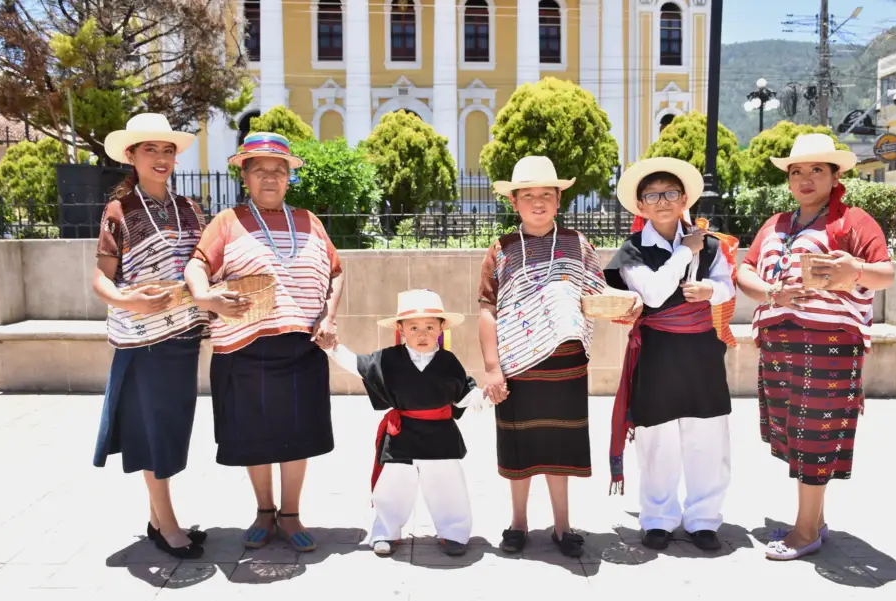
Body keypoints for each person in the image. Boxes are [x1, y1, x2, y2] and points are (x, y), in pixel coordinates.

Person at [735, 134, 895, 561]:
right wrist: (773, 294)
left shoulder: (854, 221)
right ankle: (815, 520)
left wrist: (854, 267)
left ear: (834, 175)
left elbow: (885, 274)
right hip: (781, 347)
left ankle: (805, 531)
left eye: (816, 170)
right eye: (796, 172)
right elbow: (745, 271)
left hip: (828, 348)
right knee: (797, 434)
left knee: (814, 437)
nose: (805, 179)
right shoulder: (775, 224)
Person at [184, 132, 344, 553]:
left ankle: (290, 515)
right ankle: (264, 511)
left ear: (289, 177)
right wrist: (204, 296)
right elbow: (198, 265)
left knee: (298, 432)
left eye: (279, 170)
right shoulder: (227, 221)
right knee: (254, 432)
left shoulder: (310, 221)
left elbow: (337, 271)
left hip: (302, 346)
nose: (270, 177)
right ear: (245, 176)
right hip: (244, 346)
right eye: (260, 170)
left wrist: (328, 315)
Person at [91, 113, 211, 559]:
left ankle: (157, 519)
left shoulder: (190, 209)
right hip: (143, 340)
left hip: (183, 336)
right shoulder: (118, 211)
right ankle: (168, 526)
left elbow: (202, 265)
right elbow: (101, 280)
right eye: (150, 150)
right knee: (153, 430)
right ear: (131, 156)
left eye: (167, 150)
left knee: (170, 427)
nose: (161, 158)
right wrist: (130, 302)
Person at [477, 156, 608, 558]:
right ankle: (518, 523)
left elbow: (597, 296)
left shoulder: (578, 244)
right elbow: (487, 308)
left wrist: (627, 306)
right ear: (513, 201)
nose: (538, 202)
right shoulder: (500, 249)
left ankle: (562, 525)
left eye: (546, 195)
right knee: (520, 444)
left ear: (559, 199)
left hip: (566, 363)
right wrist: (492, 368)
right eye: (528, 195)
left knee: (559, 445)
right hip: (516, 367)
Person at [602, 157, 734, 552]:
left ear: (684, 199)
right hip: (657, 352)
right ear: (640, 206)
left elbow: (728, 285)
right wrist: (683, 253)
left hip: (701, 352)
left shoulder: (711, 246)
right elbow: (654, 294)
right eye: (652, 195)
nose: (662, 201)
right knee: (656, 438)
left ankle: (703, 519)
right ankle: (658, 518)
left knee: (707, 436)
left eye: (670, 193)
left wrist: (712, 291)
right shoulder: (632, 251)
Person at [325, 289, 485, 557]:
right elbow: (358, 365)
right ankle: (386, 531)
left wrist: (484, 397)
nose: (422, 334)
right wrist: (331, 348)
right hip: (402, 434)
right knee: (393, 485)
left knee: (448, 484)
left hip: (440, 435)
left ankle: (453, 531)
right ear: (400, 329)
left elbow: (463, 395)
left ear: (441, 328)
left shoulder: (448, 361)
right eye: (413, 327)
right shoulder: (387, 359)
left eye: (429, 326)